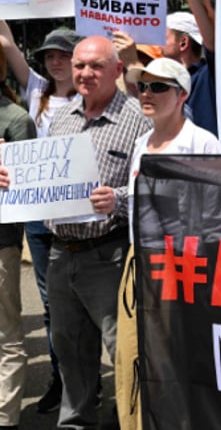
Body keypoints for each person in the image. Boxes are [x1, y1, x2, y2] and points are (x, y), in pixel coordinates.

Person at [0, 36, 151, 428]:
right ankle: (76, 422)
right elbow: (44, 179)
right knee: (69, 350)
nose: (85, 73)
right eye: (80, 65)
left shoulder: (139, 118)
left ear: (117, 70)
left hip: (110, 253)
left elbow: (153, 182)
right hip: (60, 253)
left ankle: (131, 421)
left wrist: (116, 198)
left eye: (96, 65)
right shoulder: (64, 117)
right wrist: (10, 179)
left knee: (124, 351)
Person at [113, 57, 221, 429]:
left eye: (159, 87)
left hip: (185, 266)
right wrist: (114, 200)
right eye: (143, 86)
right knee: (132, 355)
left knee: (178, 358)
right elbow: (136, 201)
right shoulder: (141, 142)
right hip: (139, 263)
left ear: (182, 95)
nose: (147, 93)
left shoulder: (204, 143)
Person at [0, 23, 81, 414]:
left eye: (64, 55)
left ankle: (85, 384)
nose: (56, 62)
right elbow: (7, 44)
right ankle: (62, 380)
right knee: (51, 305)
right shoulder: (37, 91)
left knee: (83, 303)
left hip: (79, 214)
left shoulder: (92, 95)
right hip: (38, 217)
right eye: (50, 55)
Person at [0, 43, 36, 429]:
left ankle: (5, 418)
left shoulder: (16, 119)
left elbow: (28, 192)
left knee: (5, 335)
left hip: (1, 244)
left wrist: (11, 174)